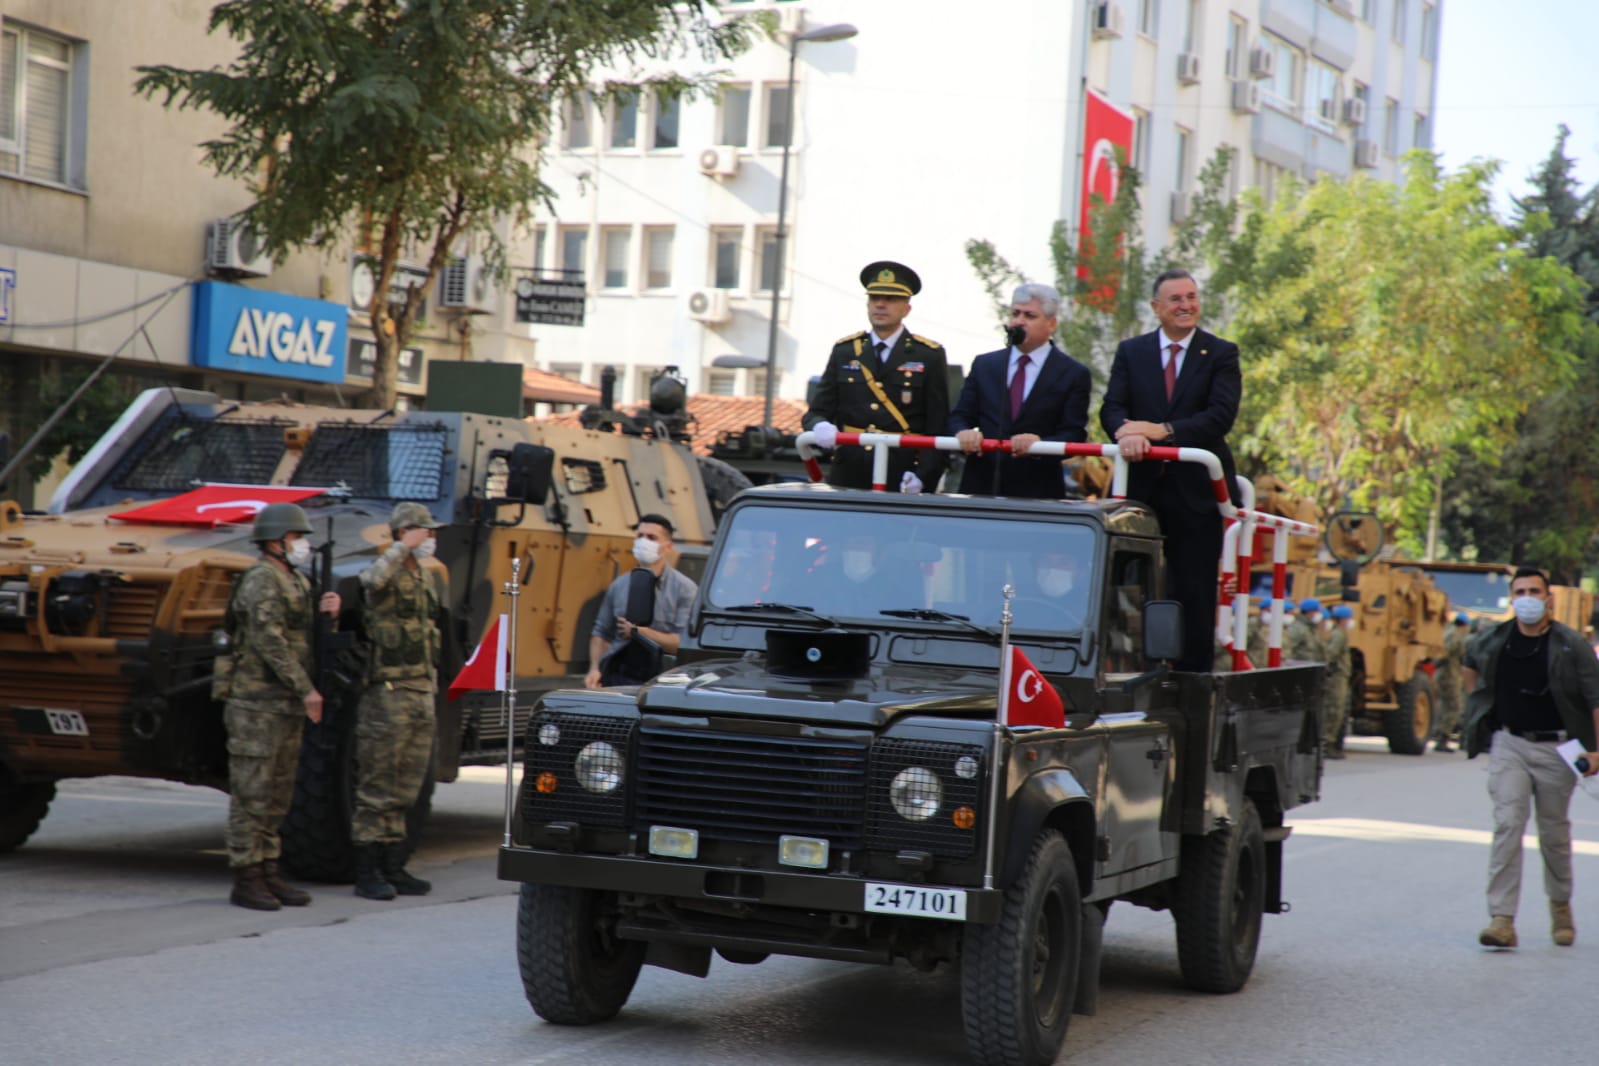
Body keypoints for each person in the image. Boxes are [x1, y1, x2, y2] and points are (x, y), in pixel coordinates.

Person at [1099, 268, 1241, 671]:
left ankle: (1189, 685)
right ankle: (1123, 673)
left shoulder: (1220, 353)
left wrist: (1161, 431)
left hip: (1195, 494)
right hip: (1139, 492)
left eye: (1192, 297)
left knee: (1192, 592)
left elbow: (1219, 418)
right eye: (1176, 299)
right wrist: (1125, 432)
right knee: (1124, 587)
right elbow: (1111, 407)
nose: (1186, 305)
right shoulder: (1132, 351)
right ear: (1156, 307)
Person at [1462, 567, 1599, 949]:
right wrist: (1479, 710)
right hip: (1510, 744)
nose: (1527, 597)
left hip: (1559, 749)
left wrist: (1597, 751)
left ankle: (1560, 907)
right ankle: (1501, 919)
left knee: (1553, 833)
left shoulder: (1571, 645)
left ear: (1547, 598)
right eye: (1520, 590)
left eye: (1534, 590)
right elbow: (1468, 664)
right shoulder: (1494, 638)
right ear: (1511, 597)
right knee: (1508, 823)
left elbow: (1595, 698)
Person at [221, 502, 341, 911]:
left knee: (277, 795)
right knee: (251, 792)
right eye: (296, 538)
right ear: (275, 542)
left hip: (284, 703)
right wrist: (306, 688)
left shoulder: (295, 580)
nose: (302, 545)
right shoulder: (261, 580)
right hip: (257, 704)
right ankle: (246, 875)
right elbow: (269, 642)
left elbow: (305, 634)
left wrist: (330, 614)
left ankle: (269, 870)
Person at [351, 502, 444, 902]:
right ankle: (368, 869)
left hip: (421, 690)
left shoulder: (423, 575)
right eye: (425, 532)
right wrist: (400, 547)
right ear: (407, 532)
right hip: (388, 693)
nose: (431, 539)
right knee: (379, 783)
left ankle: (393, 864)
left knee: (406, 784)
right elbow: (370, 582)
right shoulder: (385, 567)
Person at [804, 261, 950, 493]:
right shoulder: (845, 350)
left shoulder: (928, 355)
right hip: (849, 470)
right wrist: (820, 425)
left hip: (902, 471)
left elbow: (939, 425)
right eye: (874, 298)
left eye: (890, 299)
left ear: (906, 308)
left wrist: (924, 477)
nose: (880, 304)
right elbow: (816, 411)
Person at [947, 283, 1091, 498]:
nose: (1018, 321)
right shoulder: (985, 364)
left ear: (1051, 324)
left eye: (1030, 315)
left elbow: (1074, 434)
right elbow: (959, 416)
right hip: (981, 487)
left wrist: (1039, 445)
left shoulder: (1073, 373)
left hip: (1037, 491)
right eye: (1015, 313)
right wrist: (963, 433)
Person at [586, 514, 698, 688]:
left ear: (667, 546)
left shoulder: (685, 589)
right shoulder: (620, 585)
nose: (643, 542)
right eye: (640, 536)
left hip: (662, 681)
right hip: (619, 677)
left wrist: (639, 632)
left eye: (652, 538)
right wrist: (595, 669)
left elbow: (682, 644)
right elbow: (602, 632)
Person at [1434, 612, 1469, 752]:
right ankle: (1443, 737)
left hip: (1443, 674)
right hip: (1450, 675)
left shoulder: (1448, 632)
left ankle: (1438, 733)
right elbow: (1446, 653)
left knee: (1444, 705)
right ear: (1465, 625)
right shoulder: (1455, 636)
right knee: (1455, 707)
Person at [1323, 604, 1353, 759]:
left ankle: (1330, 743)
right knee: (1334, 710)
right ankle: (1328, 744)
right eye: (1349, 618)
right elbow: (1331, 654)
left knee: (1336, 710)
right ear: (1343, 620)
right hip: (1337, 678)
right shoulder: (1340, 635)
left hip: (1339, 676)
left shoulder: (1339, 633)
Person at [1284, 598, 1326, 665]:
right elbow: (1287, 650)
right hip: (1300, 671)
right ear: (1310, 612)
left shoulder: (1311, 628)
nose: (1320, 614)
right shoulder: (1297, 628)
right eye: (1317, 611)